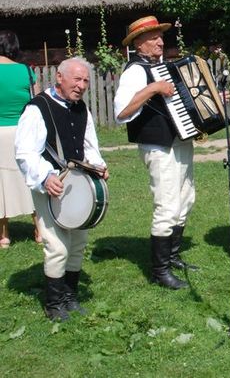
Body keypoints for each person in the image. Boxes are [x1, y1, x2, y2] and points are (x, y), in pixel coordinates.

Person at [15, 57, 108, 321]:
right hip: (50, 185)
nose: (81, 85)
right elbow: (24, 152)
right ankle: (54, 303)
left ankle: (69, 296)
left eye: (85, 81)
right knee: (57, 246)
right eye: (76, 79)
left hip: (78, 186)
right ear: (59, 77)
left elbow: (89, 145)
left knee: (78, 243)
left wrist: (99, 166)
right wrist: (45, 177)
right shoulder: (38, 108)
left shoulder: (82, 109)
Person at [114, 16, 196, 289]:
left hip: (180, 141)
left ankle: (172, 256)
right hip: (158, 146)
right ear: (138, 44)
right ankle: (160, 271)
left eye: (161, 37)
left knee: (186, 198)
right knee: (167, 205)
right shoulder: (135, 71)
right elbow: (121, 112)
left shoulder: (163, 67)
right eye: (153, 38)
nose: (160, 42)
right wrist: (152, 88)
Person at [0, 30, 40, 248]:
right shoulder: (25, 71)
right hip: (22, 132)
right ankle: (40, 230)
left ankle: (4, 235)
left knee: (1, 183)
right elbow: (37, 101)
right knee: (30, 177)